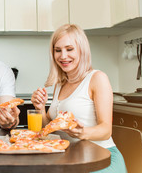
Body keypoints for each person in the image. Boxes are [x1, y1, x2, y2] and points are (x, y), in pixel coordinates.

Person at [31, 24, 126, 173]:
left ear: (82, 50)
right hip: (73, 159)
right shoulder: (60, 84)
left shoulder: (97, 78)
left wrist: (83, 133)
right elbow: (49, 127)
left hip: (100, 159)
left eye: (69, 49)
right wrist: (40, 108)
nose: (63, 56)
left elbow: (106, 129)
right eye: (58, 50)